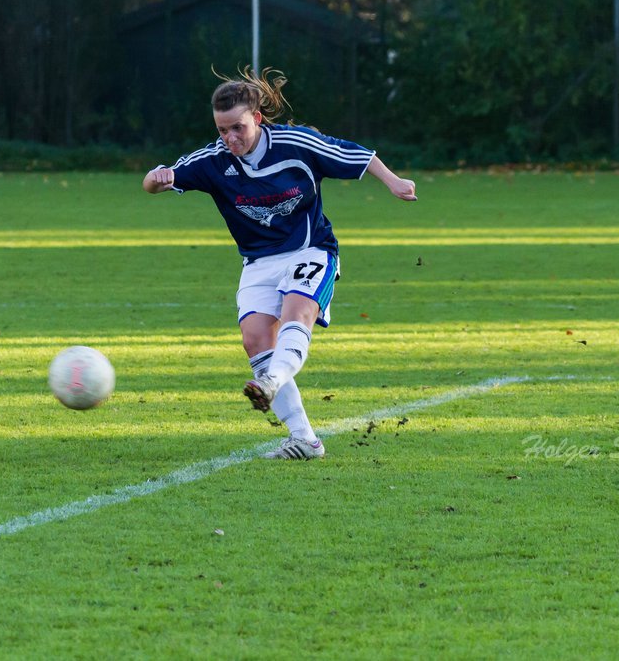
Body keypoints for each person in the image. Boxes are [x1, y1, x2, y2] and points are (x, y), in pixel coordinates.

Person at [142, 67, 417, 460]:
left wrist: (393, 181)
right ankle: (305, 439)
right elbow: (152, 184)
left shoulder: (296, 144)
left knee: (295, 314)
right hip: (258, 262)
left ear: (256, 118)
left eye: (237, 127)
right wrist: (157, 177)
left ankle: (272, 380)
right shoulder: (214, 160)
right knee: (255, 338)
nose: (229, 138)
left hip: (311, 249)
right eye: (222, 130)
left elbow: (356, 153)